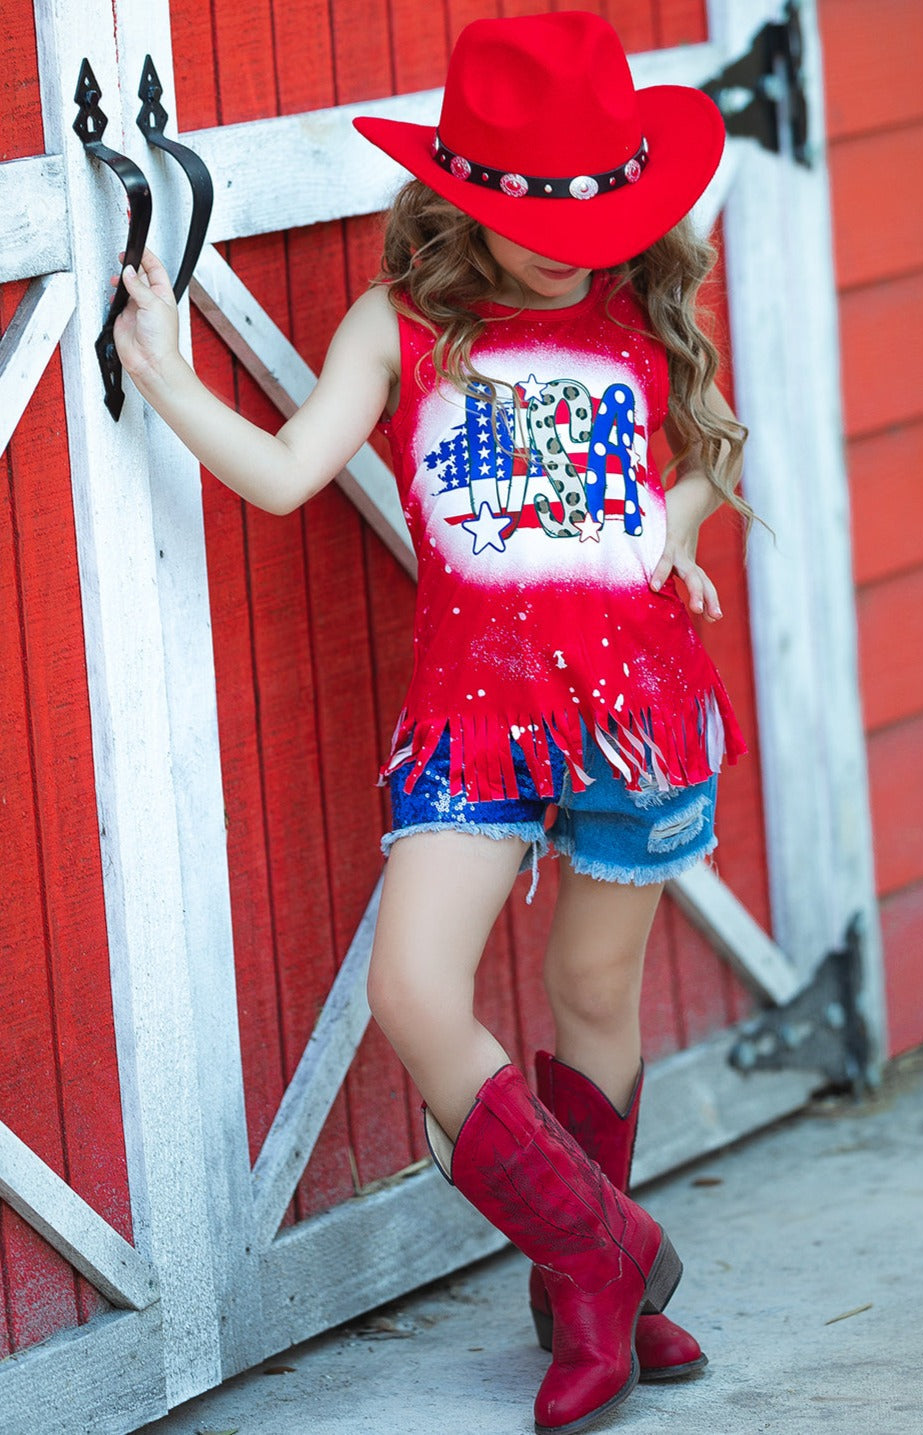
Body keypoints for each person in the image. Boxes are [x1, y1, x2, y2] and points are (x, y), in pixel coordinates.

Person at [114, 12, 751, 1433]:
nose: (563, 245)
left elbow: (703, 462)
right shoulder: (403, 327)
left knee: (593, 994)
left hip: (632, 710)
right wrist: (161, 377)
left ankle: (576, 1303)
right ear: (464, 191)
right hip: (473, 718)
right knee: (415, 990)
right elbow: (287, 475)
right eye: (529, 214)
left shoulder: (641, 302)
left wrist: (676, 532)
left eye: (590, 215)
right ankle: (605, 1251)